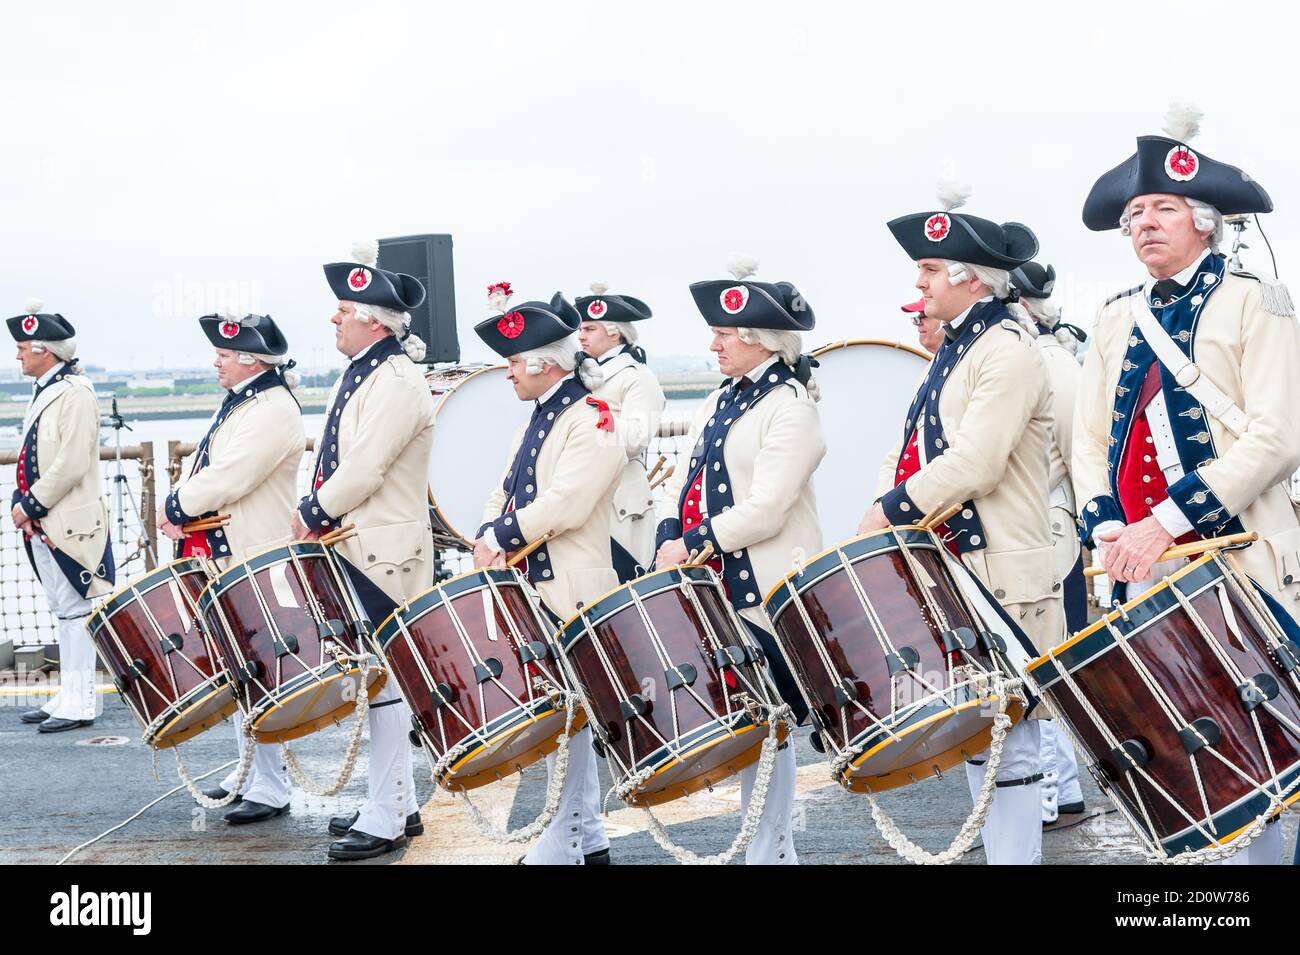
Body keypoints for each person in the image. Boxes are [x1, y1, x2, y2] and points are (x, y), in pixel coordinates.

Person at [1077, 104, 1299, 865]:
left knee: (1258, 749)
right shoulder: (1112, 319)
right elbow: (1091, 441)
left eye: (1162, 208)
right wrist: (1106, 523)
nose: (1144, 224)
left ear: (1205, 219)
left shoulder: (1254, 301)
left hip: (1237, 560)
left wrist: (1165, 520)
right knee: (1182, 754)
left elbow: (1276, 434)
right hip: (1142, 567)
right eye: (1134, 214)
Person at [859, 177, 1061, 865]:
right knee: (983, 733)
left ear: (968, 278)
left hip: (1001, 568)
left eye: (926, 268)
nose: (919, 281)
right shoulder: (960, 348)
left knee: (1015, 737)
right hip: (957, 565)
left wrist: (890, 509)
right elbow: (917, 443)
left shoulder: (1005, 347)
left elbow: (976, 460)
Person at [654, 254, 825, 865]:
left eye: (725, 334)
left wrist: (691, 542)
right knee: (750, 725)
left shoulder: (791, 407)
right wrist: (669, 531)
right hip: (715, 587)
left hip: (767, 592)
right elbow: (684, 477)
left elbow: (767, 509)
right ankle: (768, 852)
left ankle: (774, 853)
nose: (714, 344)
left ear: (759, 341)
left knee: (770, 726)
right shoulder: (721, 399)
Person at [473, 285, 625, 865]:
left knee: (566, 717)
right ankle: (587, 837)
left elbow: (570, 501)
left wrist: (502, 536)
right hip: (532, 583)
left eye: (513, 362)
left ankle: (562, 840)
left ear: (544, 363)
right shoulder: (541, 415)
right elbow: (507, 487)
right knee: (568, 715)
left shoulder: (595, 416)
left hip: (572, 586)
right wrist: (488, 530)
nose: (507, 373)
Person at [295, 241, 436, 861]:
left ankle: (385, 811)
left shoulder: (398, 379)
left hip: (381, 548)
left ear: (374, 321)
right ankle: (397, 803)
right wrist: (314, 511)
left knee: (385, 683)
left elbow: (366, 466)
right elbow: (332, 456)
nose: (333, 318)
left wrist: (312, 512)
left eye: (343, 309)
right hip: (352, 543)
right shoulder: (364, 374)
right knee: (378, 681)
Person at [158, 311, 305, 824]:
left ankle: (271, 783)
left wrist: (175, 505)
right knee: (239, 665)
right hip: (228, 553)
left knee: (258, 667)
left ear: (251, 360)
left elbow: (232, 475)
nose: (215, 362)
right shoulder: (248, 402)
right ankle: (254, 766)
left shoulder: (271, 408)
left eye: (223, 355)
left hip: (251, 555)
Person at [9, 299, 114, 733]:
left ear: (45, 351)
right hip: (48, 520)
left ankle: (82, 701)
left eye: (22, 347)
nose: (16, 354)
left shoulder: (75, 394)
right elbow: (35, 455)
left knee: (76, 610)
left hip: (67, 520)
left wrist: (29, 504)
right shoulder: (52, 390)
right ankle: (70, 694)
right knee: (63, 609)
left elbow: (70, 463)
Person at [1009, 262, 1087, 824]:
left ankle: (1048, 793)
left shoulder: (1053, 362)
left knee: (1046, 660)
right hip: (1023, 530)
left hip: (1049, 527)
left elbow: (1080, 453)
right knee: (1040, 662)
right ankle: (1057, 790)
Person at [574, 281, 665, 582]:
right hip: (587, 500)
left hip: (621, 505)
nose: (581, 336)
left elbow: (637, 438)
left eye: (589, 329)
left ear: (614, 332)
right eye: (581, 329)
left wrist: (592, 428)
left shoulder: (638, 378)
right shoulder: (584, 375)